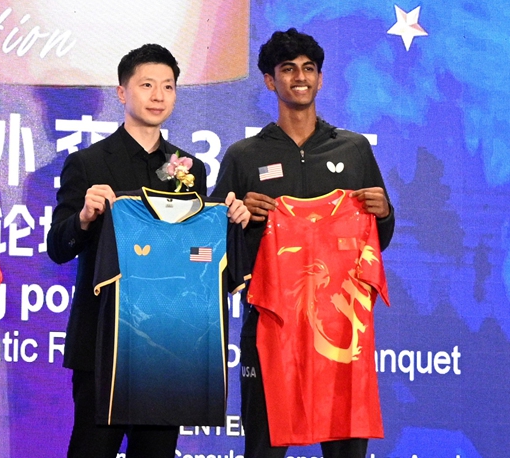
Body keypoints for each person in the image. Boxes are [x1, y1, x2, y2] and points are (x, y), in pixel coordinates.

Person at [47, 44, 249, 458]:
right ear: (122, 93)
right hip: (104, 343)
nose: (158, 95)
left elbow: (197, 250)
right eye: (147, 85)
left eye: (168, 86)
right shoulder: (87, 163)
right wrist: (84, 218)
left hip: (168, 342)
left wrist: (233, 220)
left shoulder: (190, 168)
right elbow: (57, 247)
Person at [210, 28, 394, 458]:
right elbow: (211, 236)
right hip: (270, 322)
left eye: (309, 68)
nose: (300, 77)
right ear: (270, 81)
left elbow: (378, 238)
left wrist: (383, 212)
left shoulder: (353, 150)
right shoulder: (244, 155)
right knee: (263, 445)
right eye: (288, 69)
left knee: (346, 443)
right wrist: (238, 216)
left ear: (321, 79)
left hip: (341, 324)